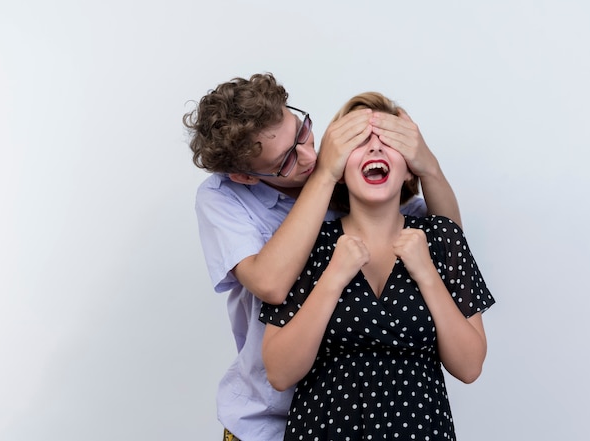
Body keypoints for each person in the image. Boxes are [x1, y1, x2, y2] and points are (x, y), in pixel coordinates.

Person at [183, 73, 463, 441]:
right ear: (244, 175)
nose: (308, 156)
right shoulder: (222, 197)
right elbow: (270, 284)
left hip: (346, 414)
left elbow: (451, 248)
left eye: (303, 132)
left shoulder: (351, 179)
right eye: (285, 160)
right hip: (266, 419)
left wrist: (428, 166)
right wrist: (326, 176)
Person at [260, 92, 495, 440]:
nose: (374, 149)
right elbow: (279, 373)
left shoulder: (442, 237)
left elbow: (470, 366)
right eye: (359, 141)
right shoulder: (307, 243)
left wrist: (427, 273)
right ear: (337, 168)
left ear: (409, 166)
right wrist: (334, 277)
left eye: (388, 140)